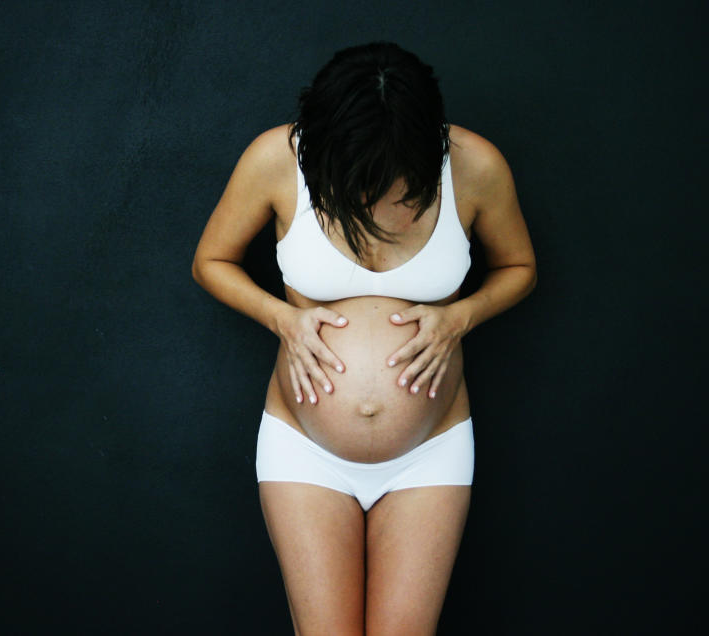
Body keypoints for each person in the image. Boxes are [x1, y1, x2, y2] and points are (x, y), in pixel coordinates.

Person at [192, 42, 537, 635]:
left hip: (431, 449)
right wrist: (284, 319)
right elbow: (211, 260)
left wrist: (462, 316)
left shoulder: (476, 167)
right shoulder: (277, 159)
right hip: (305, 447)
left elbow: (520, 268)